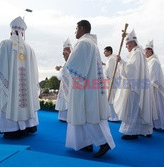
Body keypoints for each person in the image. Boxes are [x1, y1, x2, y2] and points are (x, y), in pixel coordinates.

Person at [62, 20, 115, 158]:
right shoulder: (92, 44)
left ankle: (103, 143)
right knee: (86, 115)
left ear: (82, 28)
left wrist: (68, 58)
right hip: (90, 86)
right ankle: (85, 143)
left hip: (83, 88)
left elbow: (74, 66)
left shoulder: (83, 43)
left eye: (76, 28)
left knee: (84, 115)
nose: (75, 32)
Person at [0, 16, 40, 139]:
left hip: (11, 88)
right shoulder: (30, 49)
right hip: (25, 89)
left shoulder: (5, 44)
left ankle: (12, 129)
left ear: (11, 31)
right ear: (23, 33)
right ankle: (29, 126)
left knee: (11, 98)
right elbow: (34, 73)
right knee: (26, 96)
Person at [114, 30, 153, 140]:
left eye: (127, 44)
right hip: (136, 85)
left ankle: (132, 132)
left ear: (132, 43)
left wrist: (121, 61)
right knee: (136, 108)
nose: (126, 46)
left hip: (134, 87)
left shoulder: (136, 53)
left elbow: (132, 70)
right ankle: (141, 130)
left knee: (132, 108)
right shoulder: (137, 52)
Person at [145, 40, 164, 131]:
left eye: (146, 50)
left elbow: (153, 76)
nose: (145, 53)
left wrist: (149, 84)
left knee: (159, 108)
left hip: (155, 88)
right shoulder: (148, 61)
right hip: (150, 87)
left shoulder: (154, 61)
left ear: (150, 51)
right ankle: (156, 125)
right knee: (153, 109)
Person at [55, 38, 73, 122]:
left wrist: (62, 70)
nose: (64, 52)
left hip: (69, 83)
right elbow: (65, 69)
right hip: (65, 82)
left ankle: (68, 116)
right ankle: (63, 116)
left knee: (68, 99)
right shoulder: (67, 59)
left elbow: (69, 70)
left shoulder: (72, 58)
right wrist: (61, 68)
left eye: (65, 50)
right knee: (63, 98)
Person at [102, 46, 119, 121]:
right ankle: (113, 115)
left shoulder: (111, 59)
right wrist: (104, 65)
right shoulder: (111, 58)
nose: (104, 53)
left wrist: (105, 77)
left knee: (111, 98)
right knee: (112, 97)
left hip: (111, 81)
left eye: (105, 51)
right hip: (113, 80)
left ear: (109, 51)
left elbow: (109, 71)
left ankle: (114, 116)